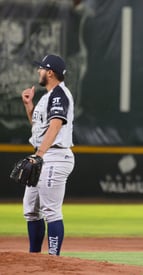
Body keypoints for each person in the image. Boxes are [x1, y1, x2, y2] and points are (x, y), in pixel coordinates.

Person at [21, 54, 75, 255]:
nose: (39, 71)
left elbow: (56, 124)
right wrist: (29, 107)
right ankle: (35, 257)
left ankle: (53, 258)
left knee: (50, 210)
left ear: (50, 73)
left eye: (41, 68)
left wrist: (40, 154)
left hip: (55, 156)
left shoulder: (60, 94)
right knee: (31, 210)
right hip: (44, 154)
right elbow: (39, 130)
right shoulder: (47, 96)